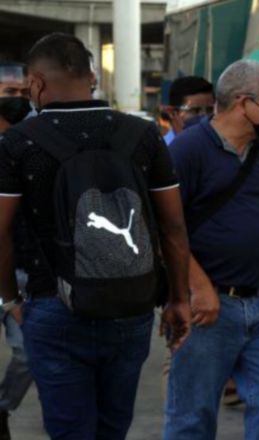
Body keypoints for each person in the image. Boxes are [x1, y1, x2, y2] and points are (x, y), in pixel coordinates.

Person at [0, 33, 192, 440]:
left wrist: (11, 299)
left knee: (70, 430)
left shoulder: (16, 143)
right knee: (112, 427)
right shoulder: (142, 135)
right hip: (132, 301)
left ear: (35, 82)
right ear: (91, 77)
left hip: (53, 303)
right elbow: (173, 227)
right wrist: (179, 298)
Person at [163, 59, 259, 440]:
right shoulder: (187, 151)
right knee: (192, 415)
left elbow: (258, 208)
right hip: (208, 306)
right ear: (243, 102)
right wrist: (198, 288)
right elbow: (161, 228)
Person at [0, 61, 34, 440]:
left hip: (20, 270)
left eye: (24, 93)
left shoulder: (32, 145)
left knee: (29, 355)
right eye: (10, 93)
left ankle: (2, 409)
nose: (19, 101)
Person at [163, 76, 215, 145]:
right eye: (195, 111)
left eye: (210, 110)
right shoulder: (160, 151)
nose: (205, 117)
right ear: (172, 113)